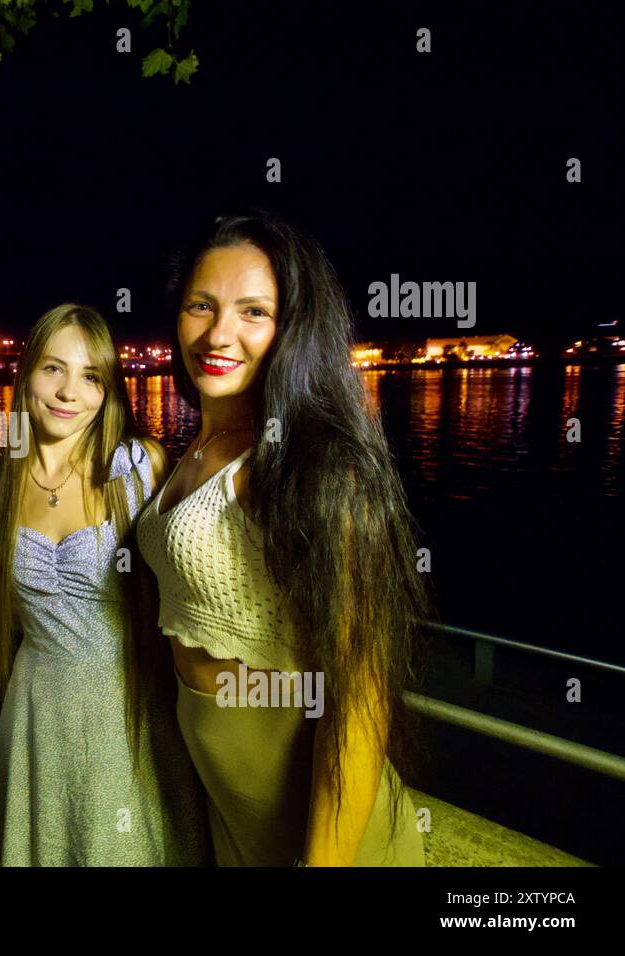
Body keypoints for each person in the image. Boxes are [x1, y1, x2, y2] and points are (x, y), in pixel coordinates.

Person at [135, 211, 428, 866]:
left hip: (316, 820)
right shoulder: (196, 449)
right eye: (201, 306)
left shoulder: (318, 464)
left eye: (254, 312)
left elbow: (360, 693)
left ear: (294, 327)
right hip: (226, 801)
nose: (219, 334)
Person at [0, 303, 208, 866]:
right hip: (38, 709)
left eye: (91, 377)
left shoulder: (141, 467)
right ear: (26, 374)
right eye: (53, 369)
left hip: (133, 704)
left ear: (108, 391)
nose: (69, 393)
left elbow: (190, 587)